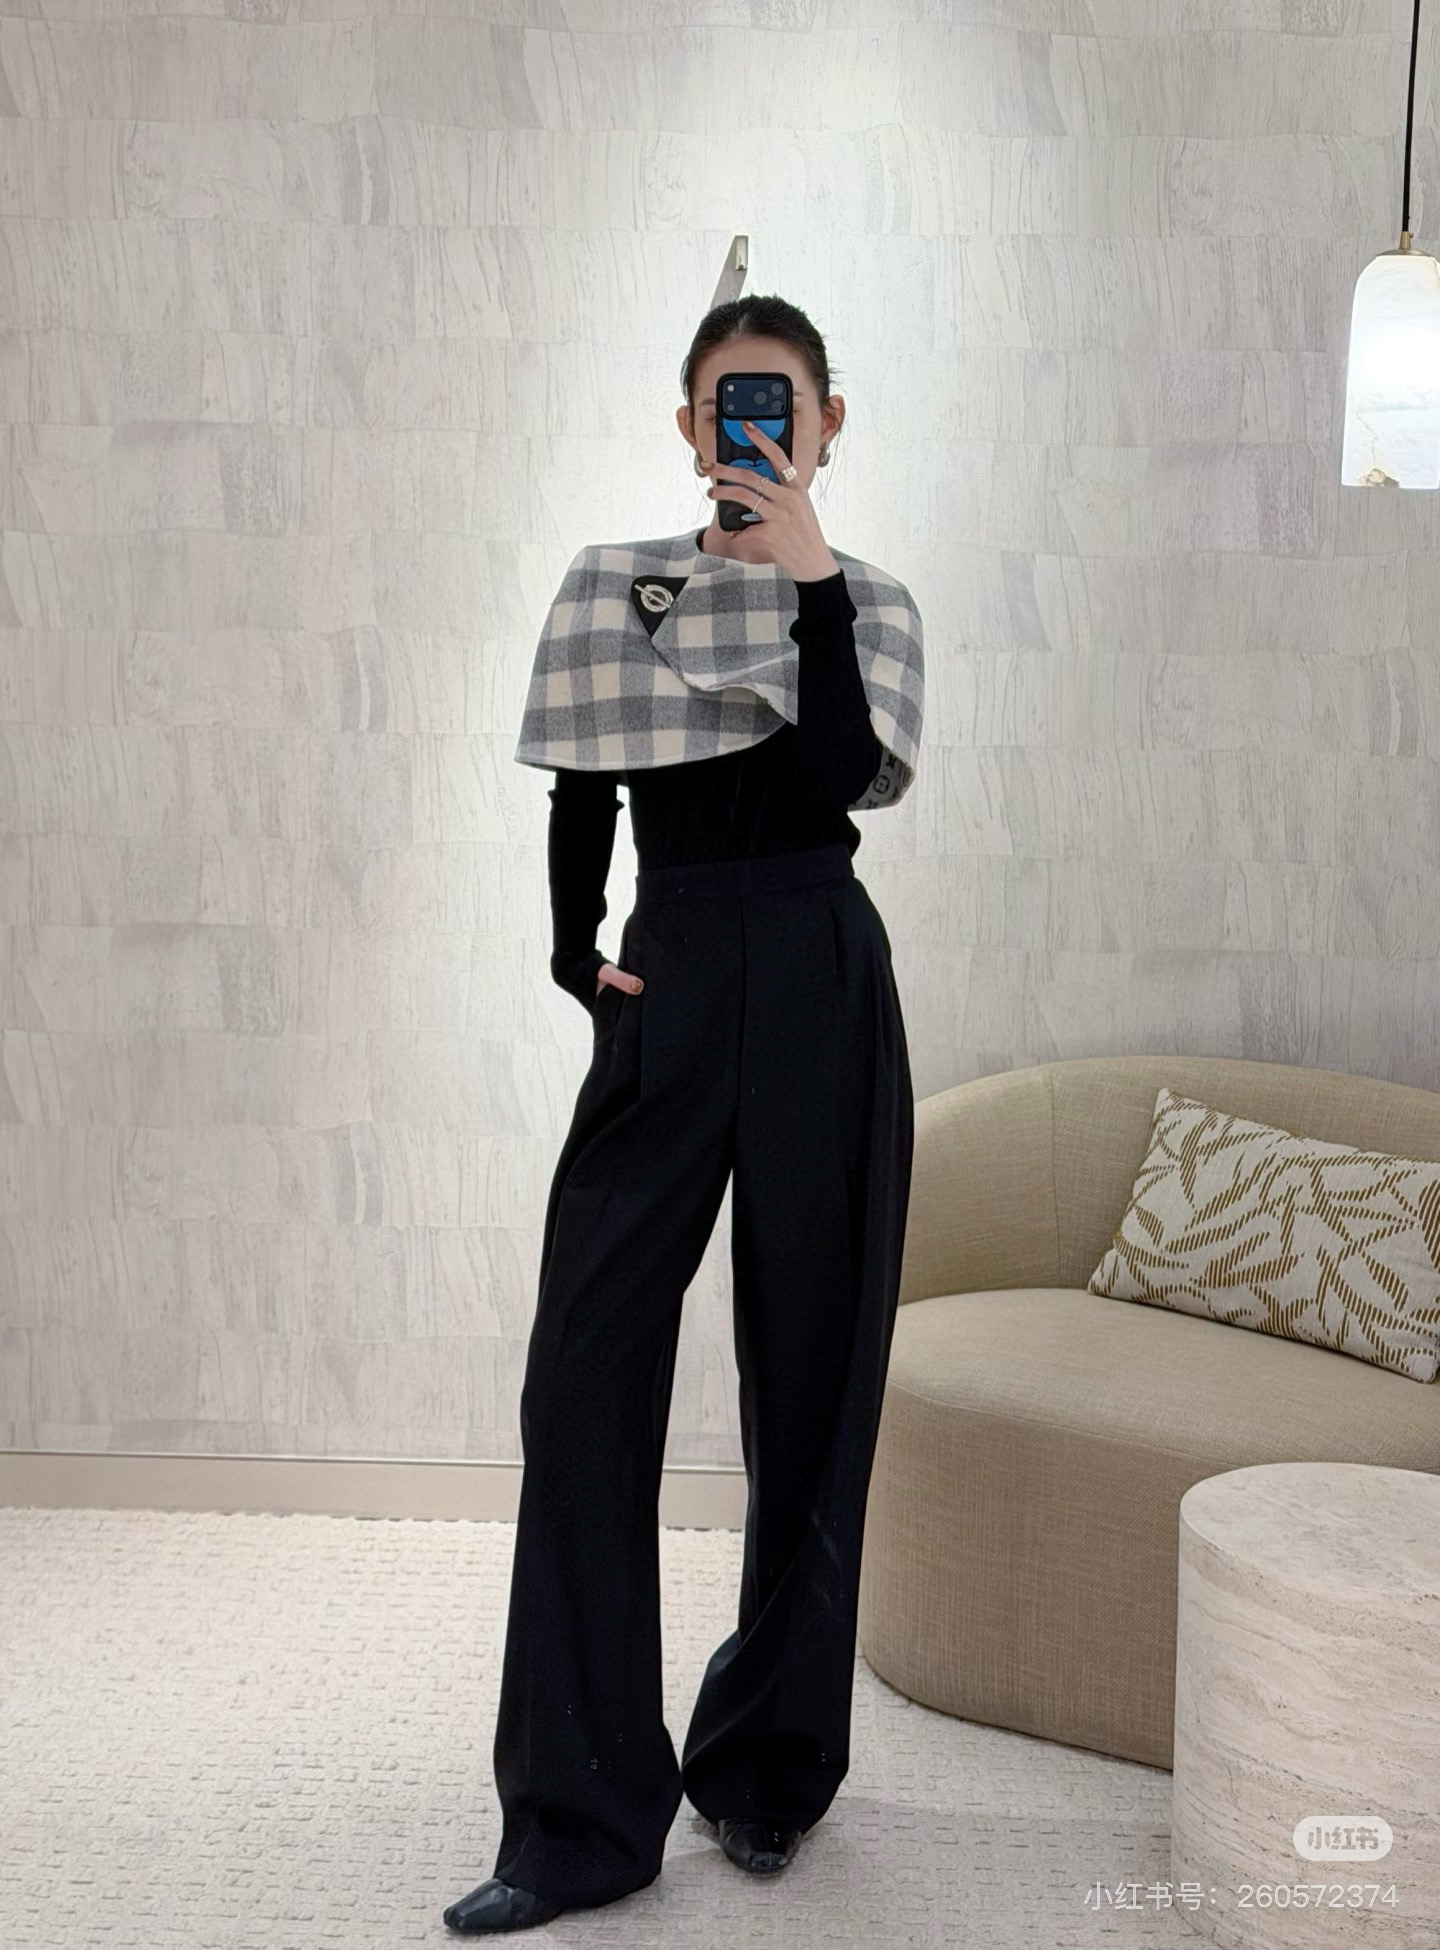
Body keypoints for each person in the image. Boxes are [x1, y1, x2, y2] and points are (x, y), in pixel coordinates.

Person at [443, 295, 918, 1934]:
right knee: (583, 1370)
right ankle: (576, 1817)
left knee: (813, 1373)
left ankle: (767, 1767)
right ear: (688, 424)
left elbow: (844, 777)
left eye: (780, 404)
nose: (753, 429)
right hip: (674, 972)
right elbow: (584, 781)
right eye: (728, 405)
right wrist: (575, 952)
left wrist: (811, 581)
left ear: (829, 422)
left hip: (821, 972)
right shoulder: (612, 587)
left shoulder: (867, 604)